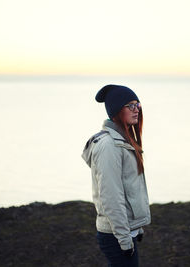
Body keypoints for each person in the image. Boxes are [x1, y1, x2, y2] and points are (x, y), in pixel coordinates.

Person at [82, 84, 151, 267]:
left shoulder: (123, 142)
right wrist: (124, 238)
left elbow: (129, 188)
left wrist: (137, 226)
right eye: (130, 105)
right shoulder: (109, 146)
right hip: (116, 235)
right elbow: (111, 197)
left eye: (138, 104)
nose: (136, 110)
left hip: (126, 231)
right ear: (117, 110)